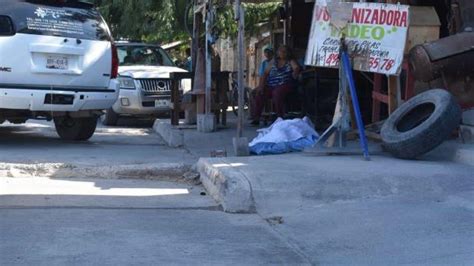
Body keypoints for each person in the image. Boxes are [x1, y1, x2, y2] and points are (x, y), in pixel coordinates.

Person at [252, 45, 301, 126]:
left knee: (277, 93)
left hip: (285, 84)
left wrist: (294, 74)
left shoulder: (290, 61)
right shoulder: (273, 62)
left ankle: (279, 116)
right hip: (271, 85)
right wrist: (261, 86)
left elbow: (296, 68)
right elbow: (265, 74)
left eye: (284, 51)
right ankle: (256, 117)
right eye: (280, 51)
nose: (282, 53)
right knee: (260, 93)